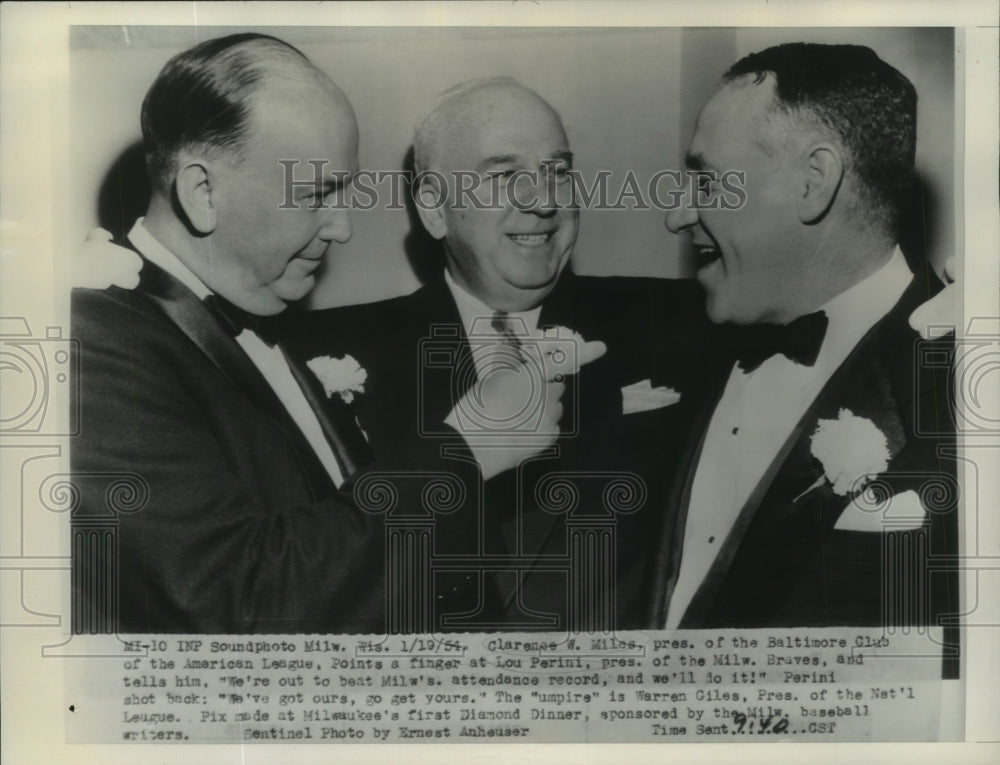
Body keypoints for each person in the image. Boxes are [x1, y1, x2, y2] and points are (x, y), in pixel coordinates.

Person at [70, 35, 577, 634]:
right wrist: (462, 452)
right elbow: (237, 602)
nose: (342, 228)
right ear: (202, 192)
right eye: (316, 196)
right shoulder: (91, 348)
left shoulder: (255, 318)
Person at [283, 78, 711, 631]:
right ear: (435, 210)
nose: (544, 201)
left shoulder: (686, 319)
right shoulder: (320, 354)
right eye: (505, 176)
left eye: (557, 172)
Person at [654, 43, 958, 640]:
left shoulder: (962, 384)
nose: (677, 217)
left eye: (709, 182)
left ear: (813, 183)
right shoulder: (672, 346)